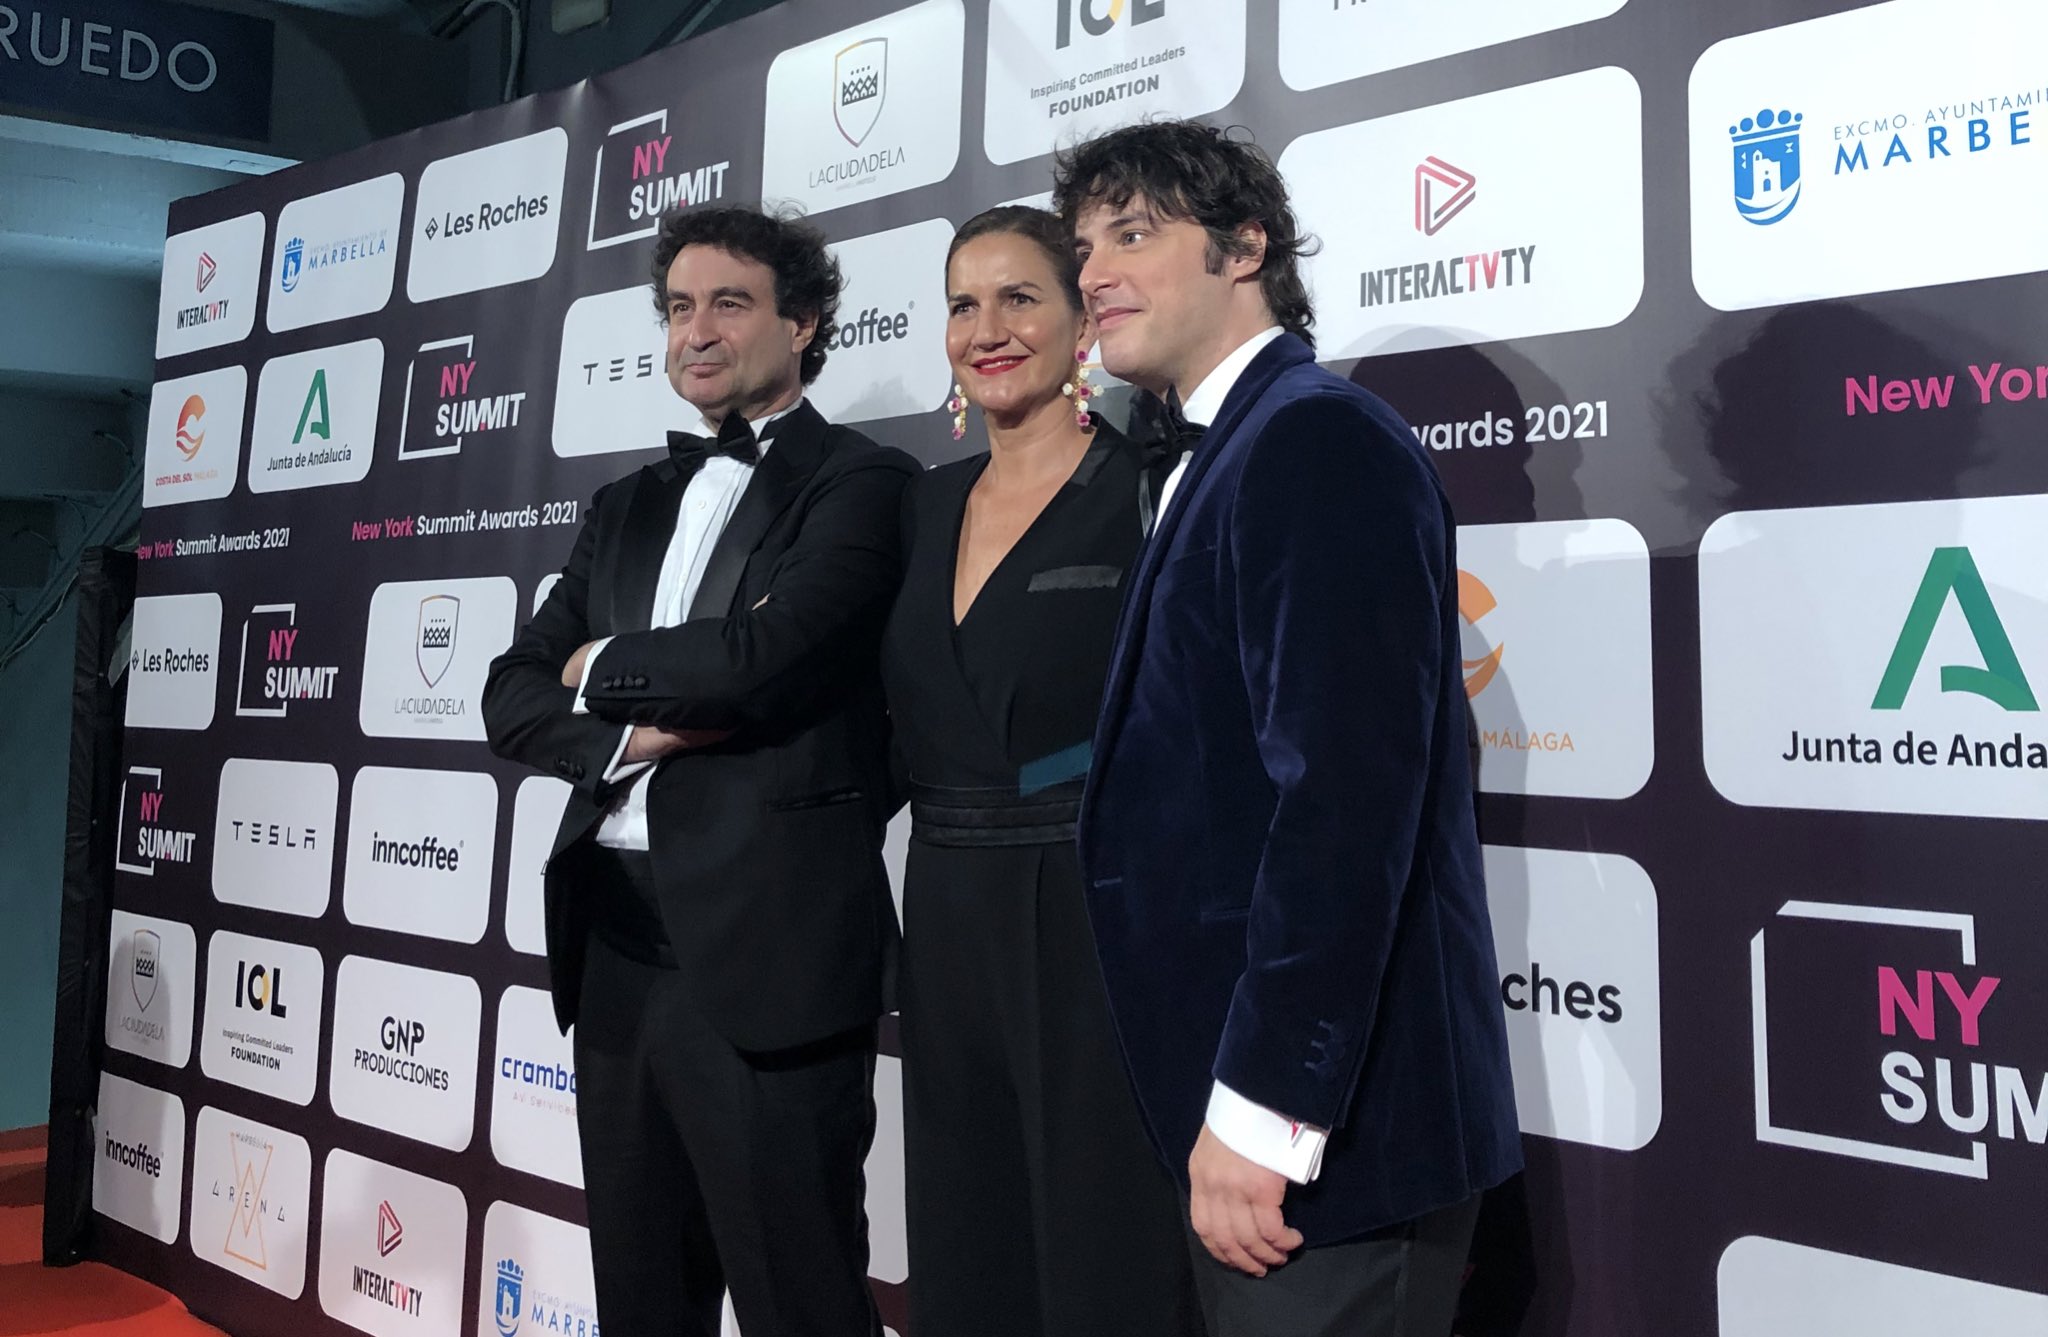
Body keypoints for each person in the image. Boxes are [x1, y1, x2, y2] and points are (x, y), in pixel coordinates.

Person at [1055, 120, 1522, 1335]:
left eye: (1131, 234)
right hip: (1238, 1112)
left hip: (1330, 1140)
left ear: (1244, 244)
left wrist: (1263, 1111)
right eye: (1083, 246)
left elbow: (1342, 811)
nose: (1091, 272)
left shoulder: (1312, 437)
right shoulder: (1226, 446)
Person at [481, 204, 916, 1337]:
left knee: (800, 1299)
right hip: (616, 950)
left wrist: (597, 664)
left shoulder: (863, 481)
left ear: (803, 322)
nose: (696, 332)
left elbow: (757, 661)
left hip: (771, 954)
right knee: (642, 1301)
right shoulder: (624, 505)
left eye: (729, 303)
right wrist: (629, 735)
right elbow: (508, 692)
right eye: (679, 308)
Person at [881, 205, 1202, 1337]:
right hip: (944, 911)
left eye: (1019, 298)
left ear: (1080, 322)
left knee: (1104, 1246)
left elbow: (1190, 722)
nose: (987, 330)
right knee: (967, 1242)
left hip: (1096, 910)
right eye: (962, 305)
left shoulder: (1150, 489)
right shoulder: (919, 505)